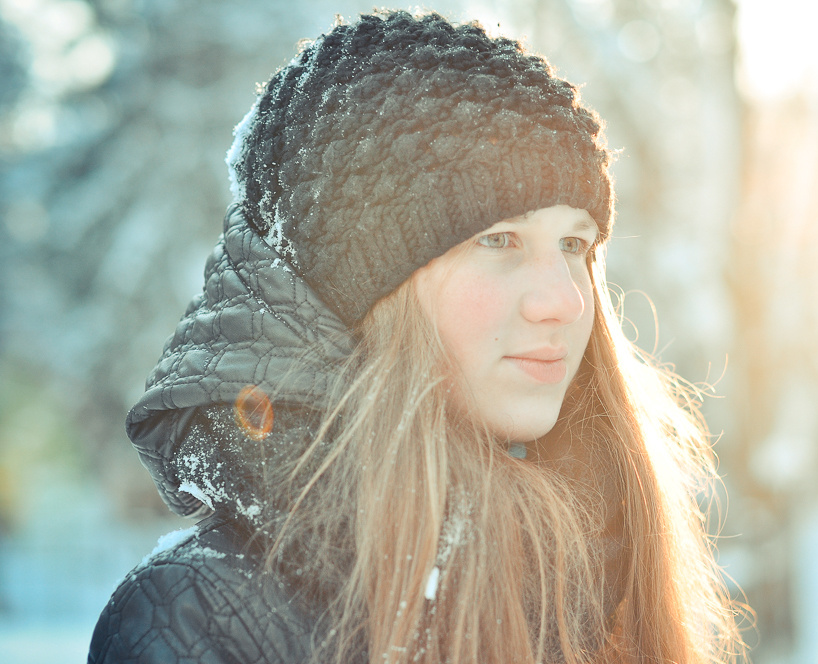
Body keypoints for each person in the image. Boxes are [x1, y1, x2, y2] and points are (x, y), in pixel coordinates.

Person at [89, 9, 743, 664]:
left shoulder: (606, 574)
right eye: (499, 239)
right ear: (360, 286)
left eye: (575, 244)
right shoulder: (197, 617)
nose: (567, 301)